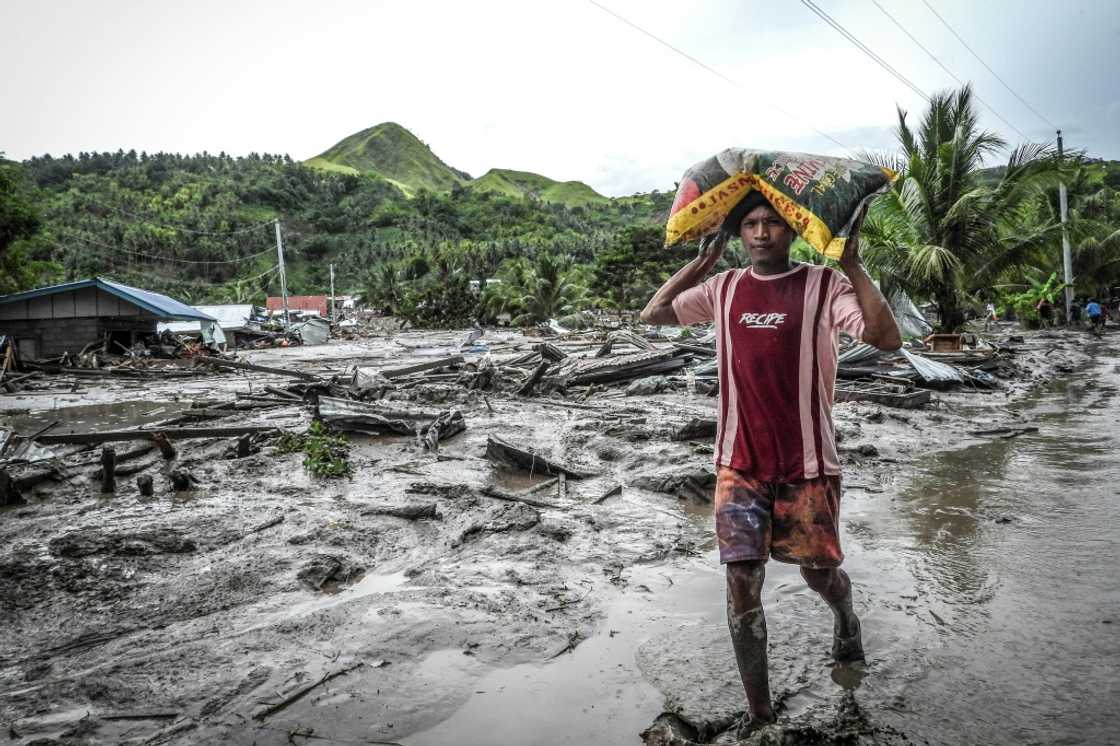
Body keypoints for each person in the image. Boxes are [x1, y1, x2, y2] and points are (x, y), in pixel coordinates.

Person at [640, 192, 902, 736]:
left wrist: (853, 264)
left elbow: (886, 338)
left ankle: (845, 616)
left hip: (807, 462)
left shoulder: (824, 286)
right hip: (738, 464)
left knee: (819, 574)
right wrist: (702, 263)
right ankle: (761, 714)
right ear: (739, 233)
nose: (761, 234)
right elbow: (655, 313)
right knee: (741, 580)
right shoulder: (724, 288)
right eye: (751, 224)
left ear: (795, 229)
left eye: (773, 223)